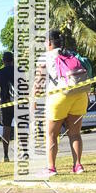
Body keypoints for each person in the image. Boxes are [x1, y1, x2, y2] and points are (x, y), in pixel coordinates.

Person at [37, 29, 89, 176]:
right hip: (79, 95)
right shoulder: (71, 53)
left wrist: (34, 95)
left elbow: (39, 80)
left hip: (58, 96)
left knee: (52, 135)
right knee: (75, 133)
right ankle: (78, 166)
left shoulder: (45, 57)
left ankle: (51, 168)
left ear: (48, 43)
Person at [0, 51, 15, 162]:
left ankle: (6, 155)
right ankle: (25, 153)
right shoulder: (19, 71)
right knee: (22, 127)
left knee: (6, 130)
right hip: (19, 102)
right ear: (12, 60)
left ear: (3, 61)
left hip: (5, 103)